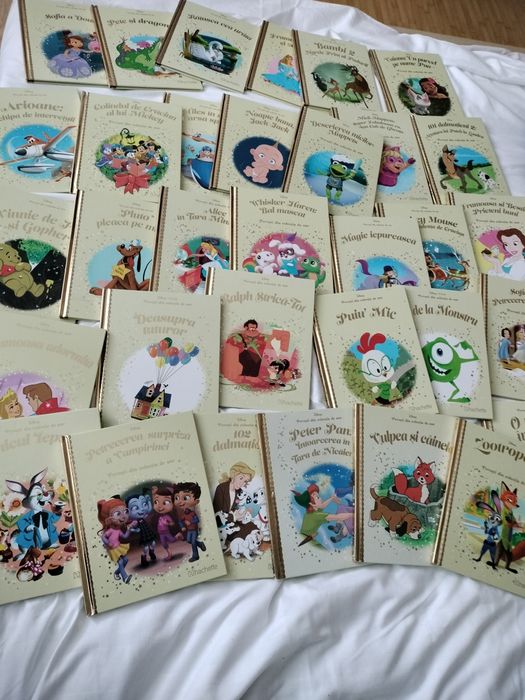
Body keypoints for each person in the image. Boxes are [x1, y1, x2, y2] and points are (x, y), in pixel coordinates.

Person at [213, 462, 259, 545]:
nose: (242, 483)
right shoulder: (221, 488)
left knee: (253, 527)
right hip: (223, 525)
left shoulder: (239, 492)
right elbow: (217, 516)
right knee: (243, 534)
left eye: (245, 481)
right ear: (233, 475)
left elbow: (236, 509)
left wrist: (241, 514)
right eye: (241, 478)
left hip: (234, 521)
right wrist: (234, 517)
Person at [174, 482, 206, 563]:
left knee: (193, 542)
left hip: (194, 530)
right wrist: (182, 526)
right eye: (177, 498)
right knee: (189, 541)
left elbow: (197, 520)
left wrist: (190, 522)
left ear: (196, 501)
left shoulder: (192, 513)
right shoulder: (184, 514)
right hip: (189, 530)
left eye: (185, 498)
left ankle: (195, 556)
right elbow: (180, 521)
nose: (180, 501)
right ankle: (200, 544)